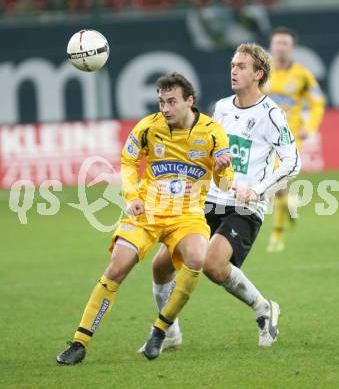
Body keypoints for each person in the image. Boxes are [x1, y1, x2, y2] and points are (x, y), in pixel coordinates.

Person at [56, 72, 234, 364]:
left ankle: (160, 330)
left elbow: (226, 185)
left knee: (197, 258)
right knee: (116, 268)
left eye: (172, 101)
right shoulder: (148, 127)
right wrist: (132, 197)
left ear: (190, 100)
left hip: (187, 215)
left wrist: (222, 169)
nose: (165, 108)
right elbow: (128, 160)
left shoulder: (213, 132)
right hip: (148, 211)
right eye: (162, 101)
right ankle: (79, 342)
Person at [139, 43, 301, 352]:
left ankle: (264, 307)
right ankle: (170, 331)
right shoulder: (223, 107)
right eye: (232, 65)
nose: (234, 70)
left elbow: (293, 162)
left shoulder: (272, 115)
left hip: (245, 206)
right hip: (209, 200)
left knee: (213, 264)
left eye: (241, 66)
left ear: (258, 74)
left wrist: (257, 190)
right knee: (161, 265)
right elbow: (208, 151)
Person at [264, 26, 325, 252]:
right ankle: (289, 207)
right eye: (278, 43)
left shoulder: (303, 75)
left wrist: (309, 126)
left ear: (292, 48)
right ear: (271, 46)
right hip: (263, 136)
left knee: (278, 181)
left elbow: (317, 102)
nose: (281, 47)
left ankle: (277, 235)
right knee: (276, 185)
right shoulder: (262, 72)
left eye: (285, 44)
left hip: (288, 137)